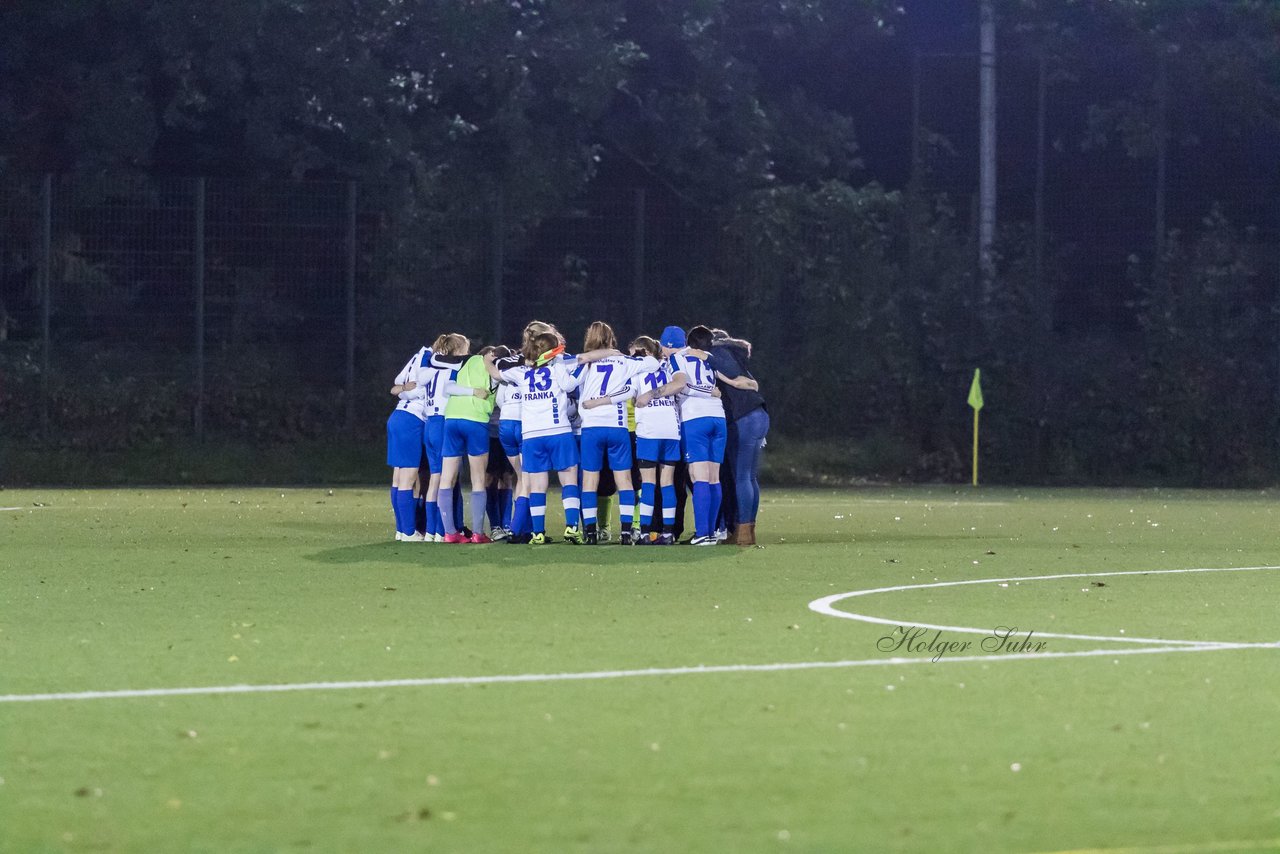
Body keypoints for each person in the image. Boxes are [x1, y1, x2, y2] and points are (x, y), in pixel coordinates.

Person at [483, 331, 585, 544]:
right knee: (569, 480)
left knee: (537, 485)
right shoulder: (557, 366)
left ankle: (537, 532)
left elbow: (495, 373)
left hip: (531, 435)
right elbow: (569, 386)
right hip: (558, 431)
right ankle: (572, 528)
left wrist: (487, 361)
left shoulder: (519, 372)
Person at [638, 325, 727, 545]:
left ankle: (703, 533)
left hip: (695, 418)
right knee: (714, 477)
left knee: (699, 478)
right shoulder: (709, 357)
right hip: (719, 416)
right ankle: (715, 530)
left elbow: (680, 384)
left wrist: (650, 394)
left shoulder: (676, 359)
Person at [574, 321, 645, 544]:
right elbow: (650, 365)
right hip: (618, 426)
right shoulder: (624, 361)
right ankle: (626, 532)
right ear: (611, 338)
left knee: (589, 481)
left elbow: (568, 384)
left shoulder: (584, 362)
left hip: (592, 427)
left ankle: (591, 533)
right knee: (624, 479)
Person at [431, 336, 496, 543]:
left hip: (452, 419)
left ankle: (450, 533)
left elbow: (447, 388)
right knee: (478, 479)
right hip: (475, 421)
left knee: (446, 478)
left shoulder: (462, 363)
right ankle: (478, 533)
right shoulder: (494, 368)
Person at [706, 328, 766, 546]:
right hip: (758, 414)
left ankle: (742, 532)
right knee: (749, 477)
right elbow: (751, 382)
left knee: (740, 476)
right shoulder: (733, 352)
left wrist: (731, 381)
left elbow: (735, 379)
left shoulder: (716, 353)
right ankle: (747, 531)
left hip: (743, 418)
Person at [386, 342, 431, 541]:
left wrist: (402, 389)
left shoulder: (417, 355)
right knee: (409, 478)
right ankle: (409, 531)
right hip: (411, 420)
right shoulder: (429, 360)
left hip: (397, 416)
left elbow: (397, 384)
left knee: (398, 477)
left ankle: (401, 529)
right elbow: (418, 390)